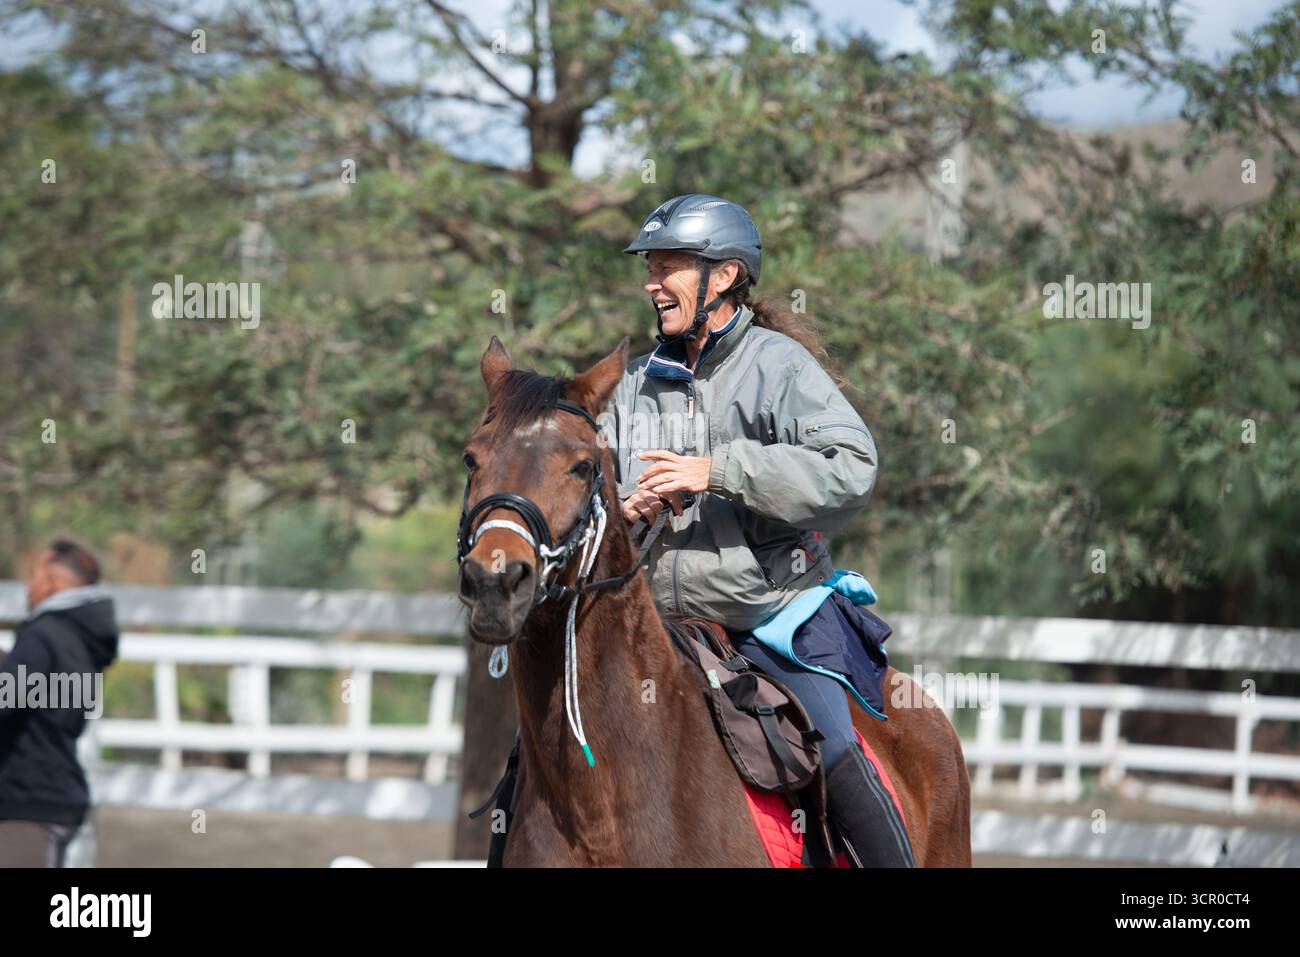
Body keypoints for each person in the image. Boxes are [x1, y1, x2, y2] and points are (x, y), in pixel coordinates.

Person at [606, 194, 915, 866]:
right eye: (649, 269)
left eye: (667, 268)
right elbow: (594, 500)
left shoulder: (779, 366)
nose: (650, 283)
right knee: (544, 748)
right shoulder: (630, 390)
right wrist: (623, 512)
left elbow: (852, 470)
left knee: (833, 747)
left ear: (723, 276)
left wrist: (719, 470)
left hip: (769, 620)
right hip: (656, 627)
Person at [0, 540, 119, 867]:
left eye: (34, 575)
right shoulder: (78, 640)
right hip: (53, 793)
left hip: (29, 799)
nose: (29, 586)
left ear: (52, 583)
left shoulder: (43, 634)